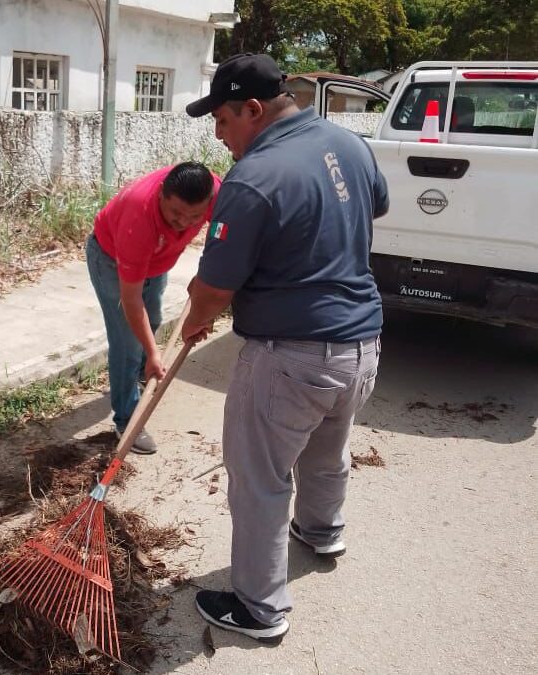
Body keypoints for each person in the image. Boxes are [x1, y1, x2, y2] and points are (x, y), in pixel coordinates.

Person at [182, 53, 389, 640]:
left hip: (291, 356)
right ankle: (322, 533)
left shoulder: (254, 176)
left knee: (261, 478)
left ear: (252, 109)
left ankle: (259, 608)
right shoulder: (349, 144)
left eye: (223, 121)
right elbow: (370, 205)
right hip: (361, 346)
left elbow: (216, 287)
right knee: (328, 450)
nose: (220, 136)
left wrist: (196, 320)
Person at [87, 162, 220, 454]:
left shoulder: (212, 192)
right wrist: (152, 352)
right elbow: (131, 301)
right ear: (161, 193)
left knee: (155, 318)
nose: (184, 223)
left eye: (194, 217)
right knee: (128, 344)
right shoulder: (139, 218)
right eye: (175, 214)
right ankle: (128, 420)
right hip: (111, 260)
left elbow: (222, 228)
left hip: (158, 261)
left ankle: (138, 372)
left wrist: (207, 271)